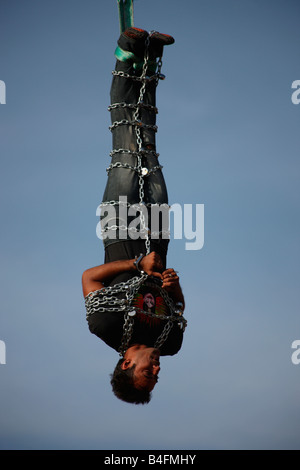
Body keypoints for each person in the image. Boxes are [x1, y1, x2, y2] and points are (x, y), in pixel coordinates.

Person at [82, 27, 187, 404]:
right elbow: (179, 306)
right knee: (149, 143)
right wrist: (171, 283)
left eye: (148, 372)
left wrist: (135, 263)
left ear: (126, 363)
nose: (157, 368)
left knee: (126, 144)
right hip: (159, 234)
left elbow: (90, 278)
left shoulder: (106, 327)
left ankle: (127, 53)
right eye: (157, 376)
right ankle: (153, 56)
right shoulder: (169, 340)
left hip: (119, 226)